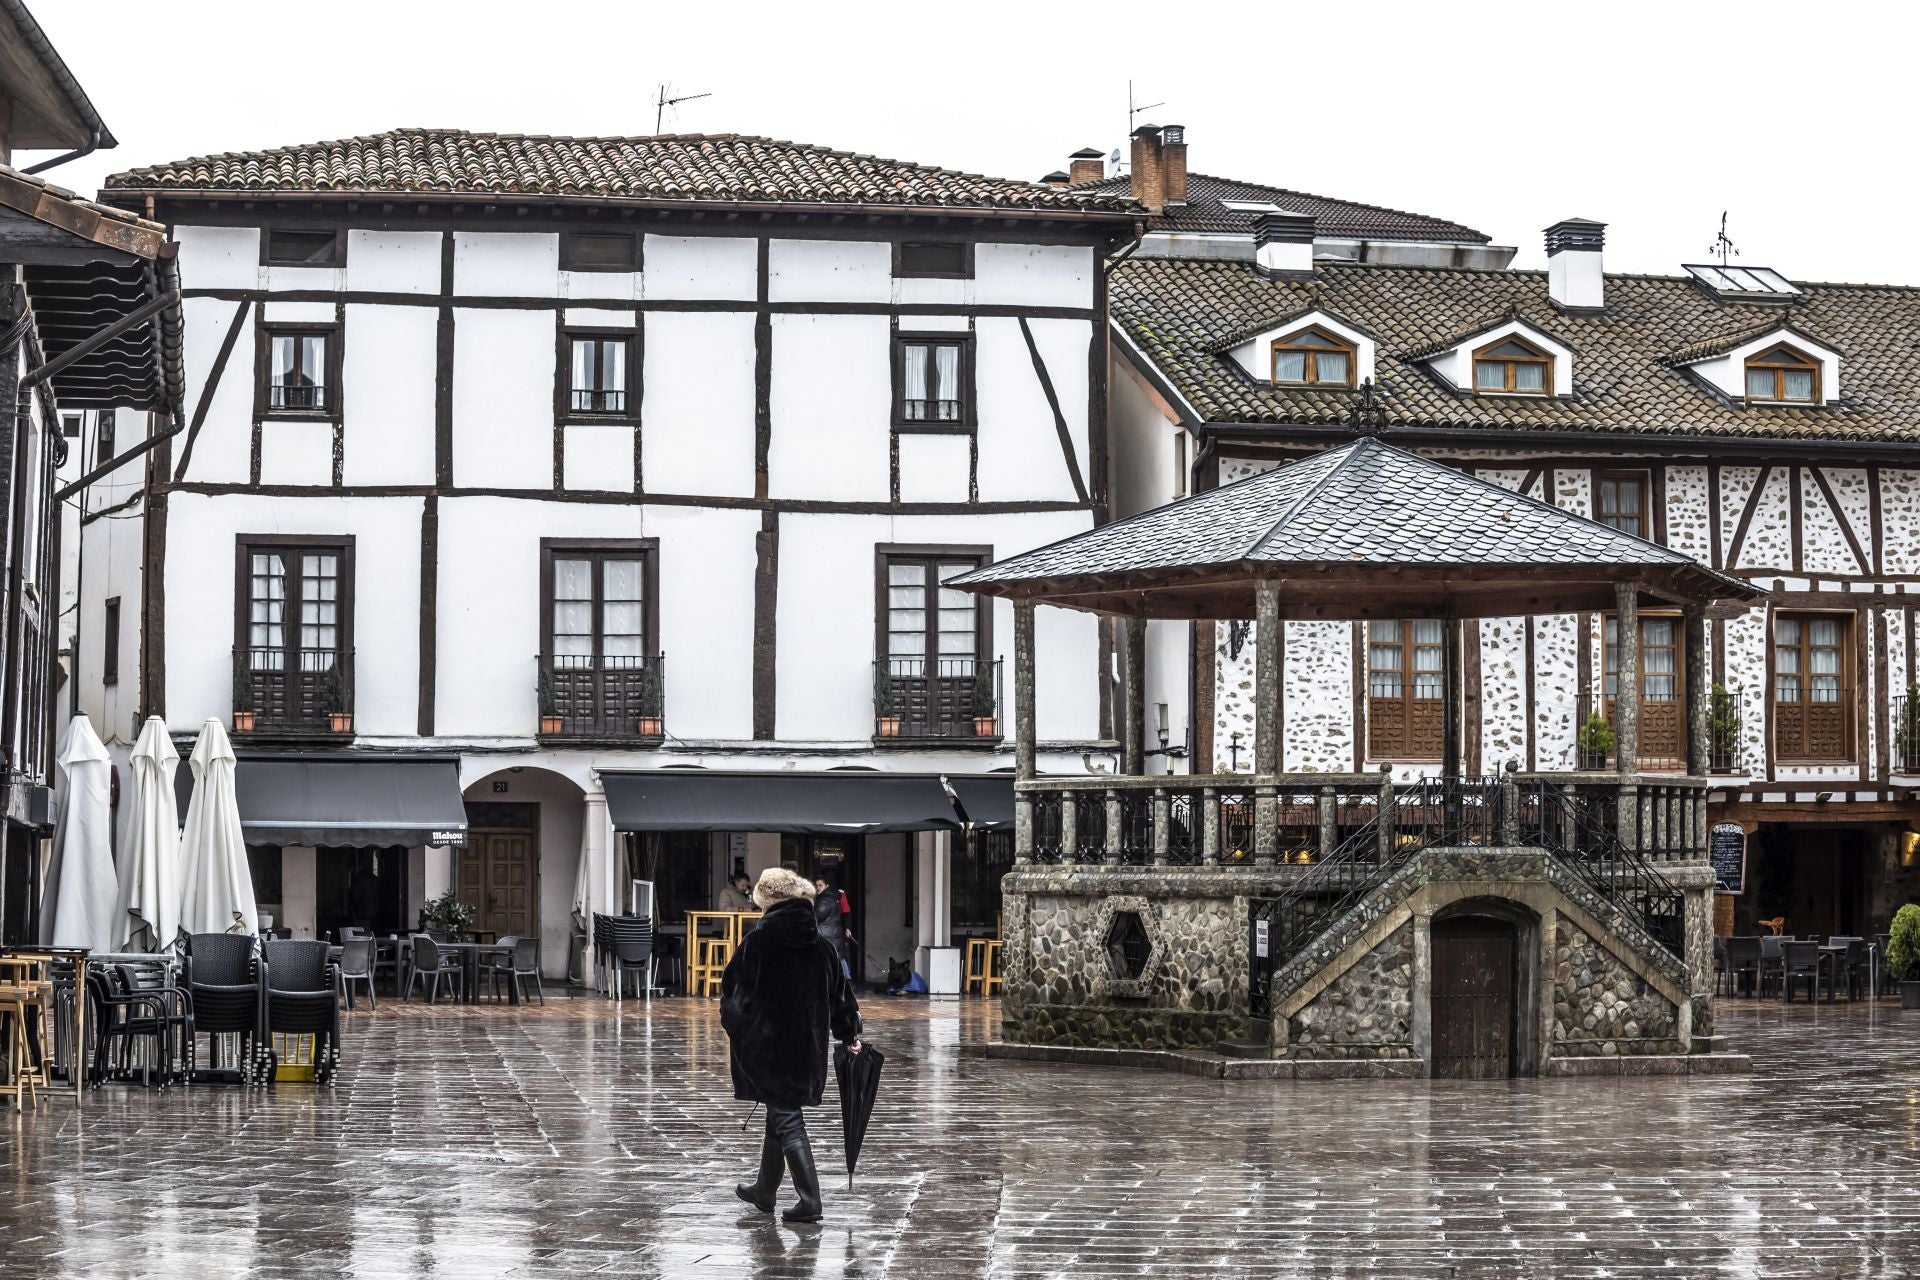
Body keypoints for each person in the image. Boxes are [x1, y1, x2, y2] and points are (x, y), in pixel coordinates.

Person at [722, 868, 862, 1223]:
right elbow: (842, 1001)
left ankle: (810, 1201)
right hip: (806, 1051)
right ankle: (764, 1191)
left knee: (787, 1118)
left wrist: (738, 1031)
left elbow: (734, 999)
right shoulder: (824, 948)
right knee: (779, 1111)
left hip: (766, 1050)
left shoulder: (757, 943)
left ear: (769, 903)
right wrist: (850, 1036)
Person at [813, 877, 854, 981]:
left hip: (831, 932)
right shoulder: (820, 896)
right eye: (816, 885)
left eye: (820, 885)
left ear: (827, 885)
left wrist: (847, 928)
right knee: (839, 956)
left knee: (837, 956)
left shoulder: (839, 895)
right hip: (834, 931)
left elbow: (846, 912)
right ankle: (845, 979)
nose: (818, 888)